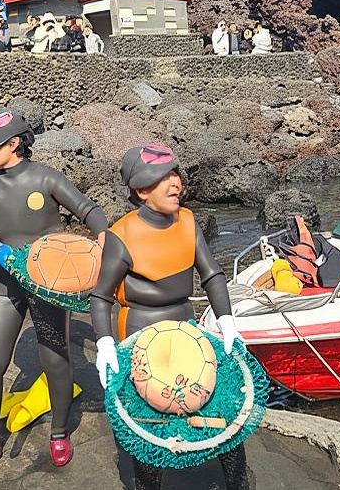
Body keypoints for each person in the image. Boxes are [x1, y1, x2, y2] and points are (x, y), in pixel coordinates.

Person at [90, 143, 247, 490]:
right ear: (142, 190)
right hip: (140, 335)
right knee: (149, 433)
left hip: (188, 331)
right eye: (165, 178)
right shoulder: (122, 236)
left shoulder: (189, 222)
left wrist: (227, 322)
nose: (176, 183)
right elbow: (100, 298)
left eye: (176, 174)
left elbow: (212, 275)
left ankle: (238, 484)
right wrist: (104, 344)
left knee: (224, 416)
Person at [0, 110, 108, 482]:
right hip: (6, 282)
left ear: (13, 144)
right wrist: (0, 251)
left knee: (55, 359)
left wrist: (103, 235)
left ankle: (59, 433)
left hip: (48, 284)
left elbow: (88, 209)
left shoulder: (46, 178)